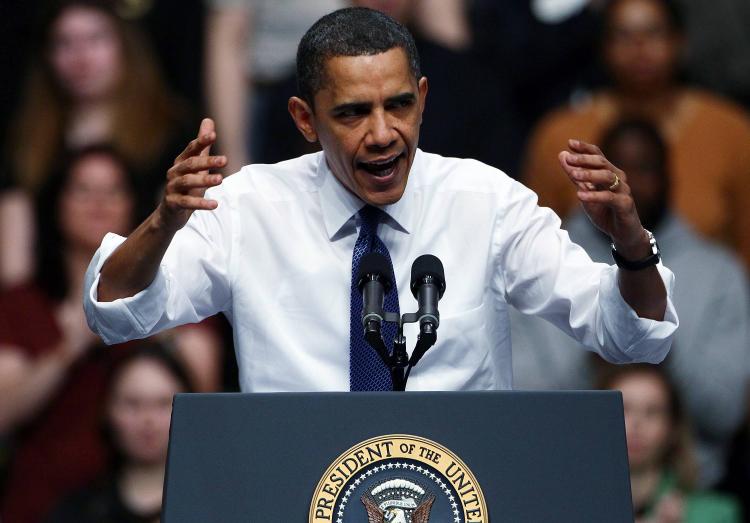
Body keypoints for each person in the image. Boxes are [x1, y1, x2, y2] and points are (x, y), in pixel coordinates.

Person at [83, 7, 677, 393]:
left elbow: (632, 334)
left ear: (422, 98)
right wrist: (162, 223)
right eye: (351, 113)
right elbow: (115, 311)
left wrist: (630, 243)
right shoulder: (249, 208)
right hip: (297, 489)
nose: (383, 133)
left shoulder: (486, 200)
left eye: (398, 105)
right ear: (304, 119)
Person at [512, 118, 750, 486]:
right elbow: (518, 401)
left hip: (692, 488)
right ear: (586, 180)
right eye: (614, 170)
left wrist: (651, 335)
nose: (628, 184)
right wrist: (601, 342)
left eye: (643, 168)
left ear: (671, 177)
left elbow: (725, 412)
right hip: (554, 475)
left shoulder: (719, 273)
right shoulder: (537, 260)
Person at [0, 145, 222, 523]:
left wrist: (134, 315)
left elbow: (204, 405)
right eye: (82, 190)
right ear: (56, 204)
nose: (97, 203)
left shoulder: (176, 293)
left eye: (112, 191)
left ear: (134, 203)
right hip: (44, 503)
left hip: (156, 502)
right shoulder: (23, 304)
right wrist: (71, 344)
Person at [522, 0, 750, 268]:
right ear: (603, 47)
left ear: (680, 41)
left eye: (654, 33)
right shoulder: (559, 136)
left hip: (705, 299)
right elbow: (536, 249)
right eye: (623, 35)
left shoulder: (730, 130)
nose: (639, 48)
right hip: (589, 299)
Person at [0, 0, 192, 288]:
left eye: (95, 39)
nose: (81, 58)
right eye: (64, 43)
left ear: (125, 46)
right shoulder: (27, 141)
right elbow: (13, 268)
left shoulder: (170, 135)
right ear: (47, 56)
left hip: (151, 297)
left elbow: (184, 251)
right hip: (53, 308)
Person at [47, 343, 192, 523]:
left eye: (164, 403)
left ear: (190, 409)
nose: (148, 420)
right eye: (132, 404)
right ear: (107, 410)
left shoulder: (217, 503)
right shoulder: (76, 511)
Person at [600, 364, 741, 522]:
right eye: (623, 409)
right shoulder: (570, 509)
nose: (636, 424)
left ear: (672, 428)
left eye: (652, 412)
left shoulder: (716, 515)